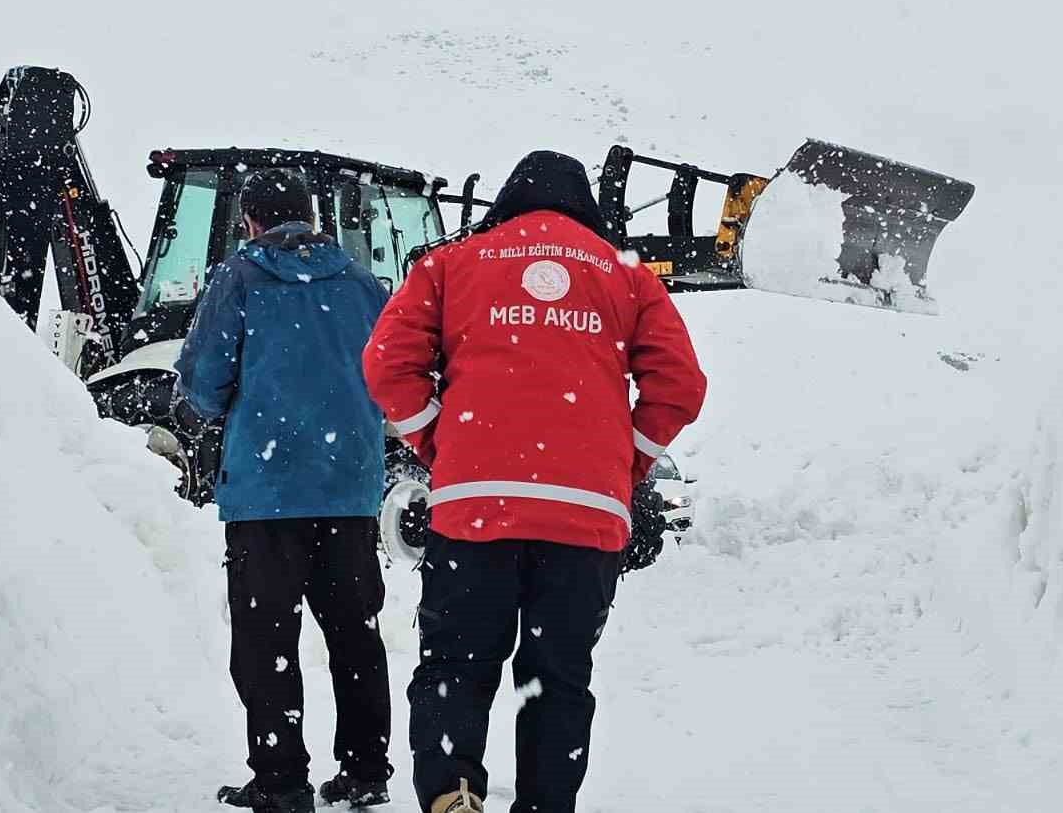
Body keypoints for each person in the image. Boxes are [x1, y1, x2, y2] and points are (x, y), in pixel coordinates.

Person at [362, 150, 708, 813]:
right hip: (586, 514)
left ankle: (451, 793)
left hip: (474, 507)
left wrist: (438, 440)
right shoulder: (624, 275)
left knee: (455, 665)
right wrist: (624, 460)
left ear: (507, 201)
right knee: (559, 679)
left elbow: (386, 364)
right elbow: (681, 385)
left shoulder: (452, 264)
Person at [173, 170, 394, 813]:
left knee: (267, 640)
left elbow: (203, 377)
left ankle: (281, 779)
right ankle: (364, 770)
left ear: (251, 220)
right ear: (312, 216)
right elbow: (393, 372)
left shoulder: (240, 277)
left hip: (267, 494)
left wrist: (231, 408)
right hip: (348, 491)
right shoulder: (360, 283)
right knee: (355, 634)